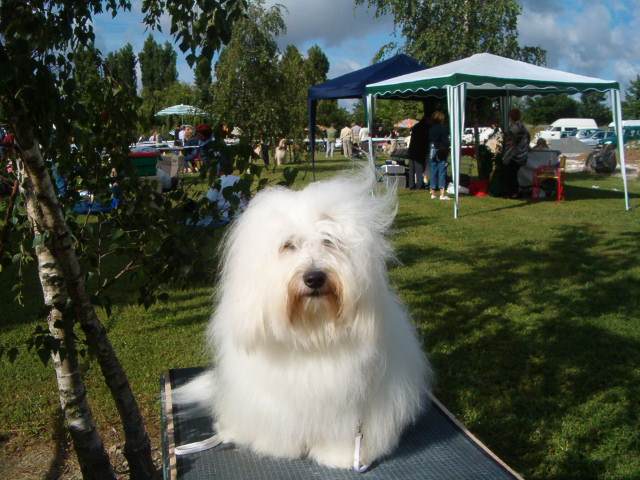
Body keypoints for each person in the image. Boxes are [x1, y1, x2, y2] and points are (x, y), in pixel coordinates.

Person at [503, 108, 531, 198]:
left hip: (515, 155)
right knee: (513, 174)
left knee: (511, 174)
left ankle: (514, 193)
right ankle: (516, 191)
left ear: (511, 116)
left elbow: (513, 140)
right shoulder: (523, 127)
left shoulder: (514, 126)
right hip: (522, 155)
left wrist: (511, 142)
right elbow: (528, 138)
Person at [428, 111, 451, 200]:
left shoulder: (431, 129)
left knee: (433, 171)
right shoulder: (442, 129)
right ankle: (442, 193)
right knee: (442, 171)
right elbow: (445, 141)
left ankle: (432, 191)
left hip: (432, 150)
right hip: (441, 150)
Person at [407, 113, 430, 190]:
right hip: (419, 150)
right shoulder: (424, 128)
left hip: (412, 149)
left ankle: (411, 184)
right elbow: (424, 140)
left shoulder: (416, 126)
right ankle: (419, 185)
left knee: (412, 169)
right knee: (419, 169)